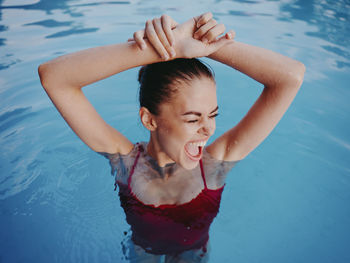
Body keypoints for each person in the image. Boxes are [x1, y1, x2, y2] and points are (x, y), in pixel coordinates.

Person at [38, 12, 305, 263]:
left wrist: (210, 45)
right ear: (149, 119)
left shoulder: (215, 165)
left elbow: (290, 77)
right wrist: (164, 49)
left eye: (213, 115)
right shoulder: (125, 163)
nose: (208, 129)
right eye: (192, 119)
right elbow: (54, 77)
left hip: (195, 255)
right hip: (144, 254)